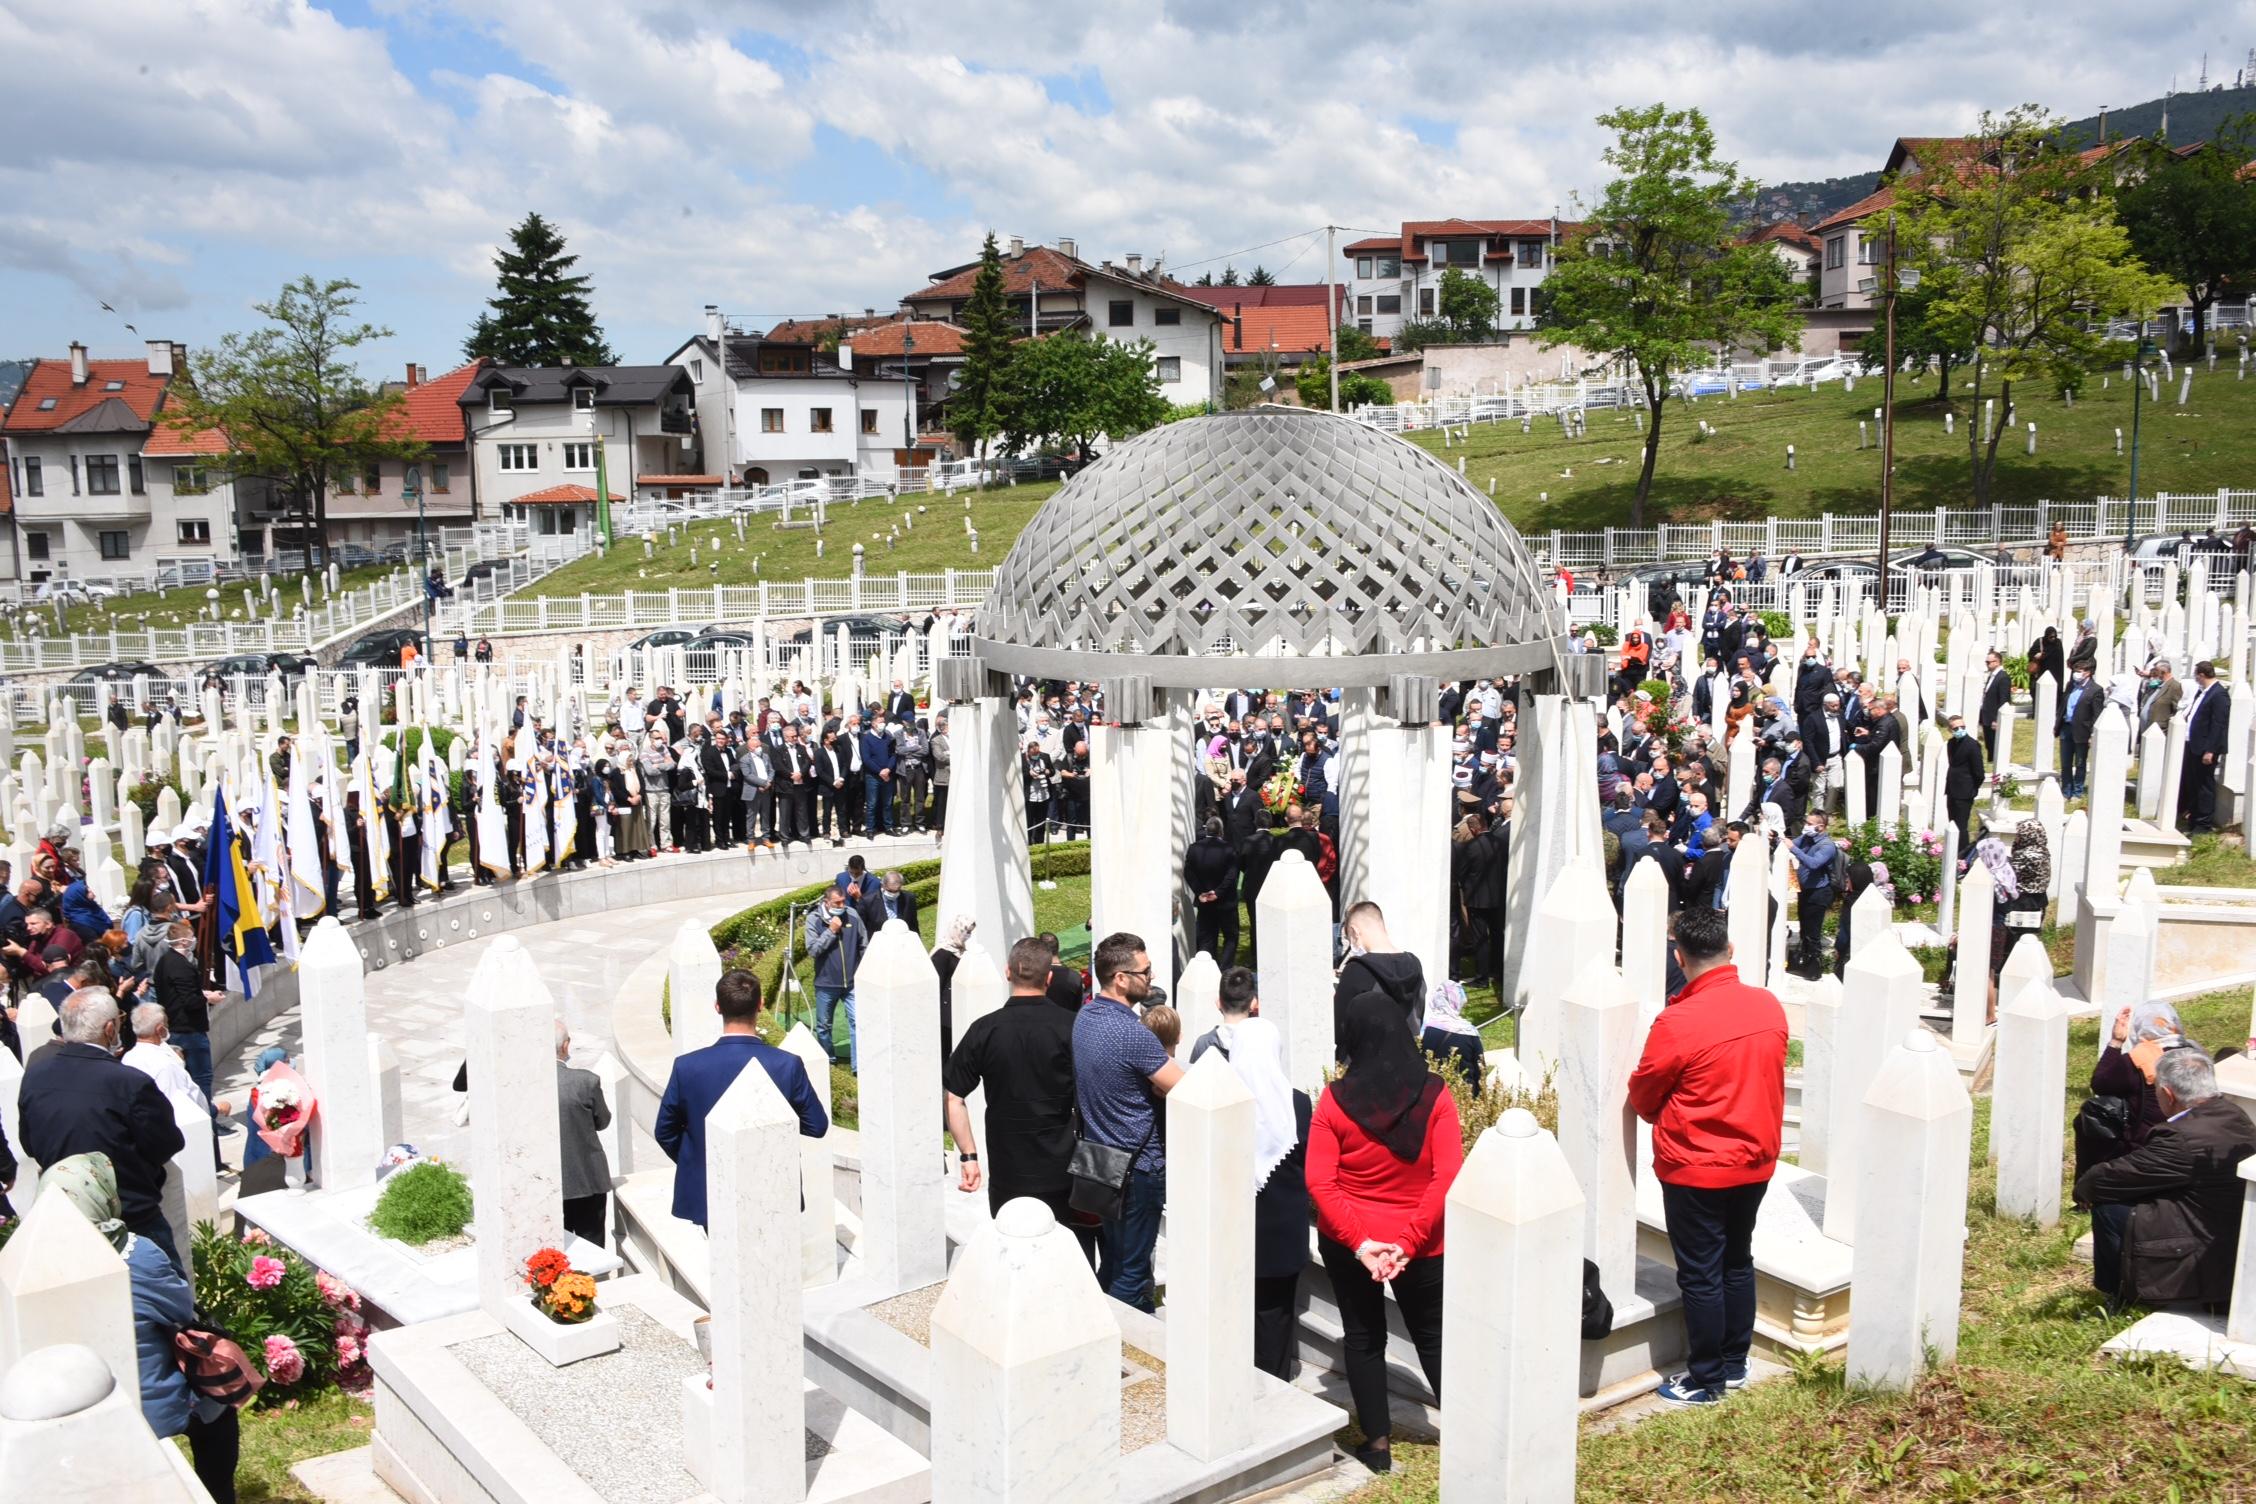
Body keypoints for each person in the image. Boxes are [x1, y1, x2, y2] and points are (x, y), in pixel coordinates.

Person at [1629, 906, 1788, 1406]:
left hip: (1697, 1165)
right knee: (1737, 1260)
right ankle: (1735, 1362)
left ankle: (1705, 1377)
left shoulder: (1678, 1021)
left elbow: (1645, 1096)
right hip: (1755, 1159)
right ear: (1731, 950)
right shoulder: (1769, 1006)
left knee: (1700, 1273)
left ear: (1679, 956)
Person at [1308, 991, 1463, 1473]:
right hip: (1422, 1243)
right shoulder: (1436, 1094)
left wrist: (1360, 1243)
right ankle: (1465, 1431)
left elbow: (1319, 1181)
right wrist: (1407, 1241)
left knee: (1363, 1335)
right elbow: (1448, 1175)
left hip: (1352, 1242)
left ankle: (1377, 1446)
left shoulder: (1334, 1101)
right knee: (1434, 1337)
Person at [49, 1152, 242, 1502]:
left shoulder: (32, 1266)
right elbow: (180, 1310)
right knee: (217, 1412)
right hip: (152, 1402)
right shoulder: (136, 1256)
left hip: (70, 1410)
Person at [942, 936, 1093, 1261]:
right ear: (1049, 978)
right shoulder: (1072, 1026)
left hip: (1007, 1168)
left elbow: (954, 1097)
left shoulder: (985, 1029)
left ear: (1008, 972)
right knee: (1062, 1256)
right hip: (1063, 1167)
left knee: (1013, 1255)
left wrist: (968, 1156)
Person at [17, 989, 187, 1270]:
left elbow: (30, 1144)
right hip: (132, 1221)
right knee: (168, 1303)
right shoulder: (130, 1082)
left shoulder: (35, 1076)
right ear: (110, 1029)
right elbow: (166, 1143)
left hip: (66, 1215)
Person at [2075, 1048, 2256, 1307]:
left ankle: (2121, 1297)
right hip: (2225, 1230)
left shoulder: (2181, 1138)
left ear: (2168, 1095)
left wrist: (2083, 1189)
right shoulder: (2234, 1114)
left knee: (2110, 1210)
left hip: (2205, 1256)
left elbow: (2107, 1179)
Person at [654, 971, 827, 1229]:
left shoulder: (688, 1067)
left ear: (717, 1007)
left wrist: (701, 1158)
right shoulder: (786, 1065)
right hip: (772, 1186)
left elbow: (665, 1131)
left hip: (710, 1188)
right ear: (760, 1005)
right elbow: (816, 1125)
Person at [1071, 932, 1184, 1313]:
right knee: (1133, 1274)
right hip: (1139, 1167)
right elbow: (1188, 1090)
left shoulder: (1085, 1016)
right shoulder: (1134, 1035)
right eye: (1145, 971)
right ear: (1120, 978)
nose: (1151, 977)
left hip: (1101, 1162)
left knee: (1115, 1262)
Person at [1206, 1008, 1310, 1381]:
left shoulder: (1218, 1101)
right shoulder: (1298, 1103)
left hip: (1233, 1227)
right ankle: (1274, 1380)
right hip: (1283, 1229)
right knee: (1277, 1316)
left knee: (1234, 1311)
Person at [1332, 901, 1425, 1055]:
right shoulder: (1414, 964)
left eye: (1350, 938)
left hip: (1366, 1062)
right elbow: (1418, 1013)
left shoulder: (1357, 970)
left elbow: (1340, 1028)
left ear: (1355, 932)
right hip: (1407, 1058)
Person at [555, 1020, 613, 1247]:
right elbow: (603, 1121)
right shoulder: (585, 1082)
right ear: (566, 1045)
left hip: (550, 1183)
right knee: (593, 1248)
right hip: (587, 1180)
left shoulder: (527, 1085)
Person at [806, 884, 867, 1072]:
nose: (841, 906)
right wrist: (831, 931)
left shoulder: (853, 915)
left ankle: (857, 1066)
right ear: (826, 902)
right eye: (836, 903)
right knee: (824, 1026)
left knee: (858, 1022)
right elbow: (813, 950)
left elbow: (864, 945)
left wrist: (862, 970)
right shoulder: (813, 920)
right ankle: (829, 1060)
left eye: (843, 902)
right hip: (826, 984)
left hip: (852, 984)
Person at [1787, 808, 1839, 979]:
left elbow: (1814, 863)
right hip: (1805, 890)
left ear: (1821, 827)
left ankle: (1814, 969)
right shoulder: (1808, 838)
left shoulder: (1827, 845)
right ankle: (1804, 960)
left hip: (1819, 892)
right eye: (1806, 823)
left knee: (1813, 932)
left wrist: (1794, 849)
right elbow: (1795, 842)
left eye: (1810, 824)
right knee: (1804, 930)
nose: (1806, 826)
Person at [1182, 817, 1240, 967]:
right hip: (1225, 901)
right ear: (1221, 831)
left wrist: (1200, 892)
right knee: (1230, 937)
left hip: (1205, 902)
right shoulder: (1229, 849)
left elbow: (1188, 873)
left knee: (1207, 937)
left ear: (1206, 830)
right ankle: (1225, 969)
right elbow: (1232, 875)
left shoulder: (1194, 848)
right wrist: (1218, 892)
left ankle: (1208, 967)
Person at [2180, 661, 2229, 834]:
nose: (2195, 678)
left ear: (2201, 674)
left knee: (2204, 786)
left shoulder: (2219, 695)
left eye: (2196, 675)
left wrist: (2210, 750)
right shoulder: (2202, 693)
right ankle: (2194, 819)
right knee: (2193, 784)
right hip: (2193, 745)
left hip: (2205, 749)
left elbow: (2218, 724)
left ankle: (2203, 824)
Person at [1419, 979, 1484, 1081]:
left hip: (1432, 1090)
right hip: (1462, 1091)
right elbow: (1480, 1070)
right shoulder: (1468, 1032)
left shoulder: (1424, 1029)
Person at [930, 914, 974, 1061]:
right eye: (966, 931)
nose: (968, 935)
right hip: (944, 1014)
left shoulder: (960, 951)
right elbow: (936, 985)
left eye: (970, 932)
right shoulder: (942, 953)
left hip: (955, 1010)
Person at [1943, 713, 1984, 842]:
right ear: (1950, 730)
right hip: (1952, 790)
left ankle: (1962, 855)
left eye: (1962, 727)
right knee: (1952, 823)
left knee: (1961, 826)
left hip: (1965, 791)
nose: (1959, 730)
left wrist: (1972, 789)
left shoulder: (1972, 745)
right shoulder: (1951, 743)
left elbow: (1979, 773)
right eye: (1955, 728)